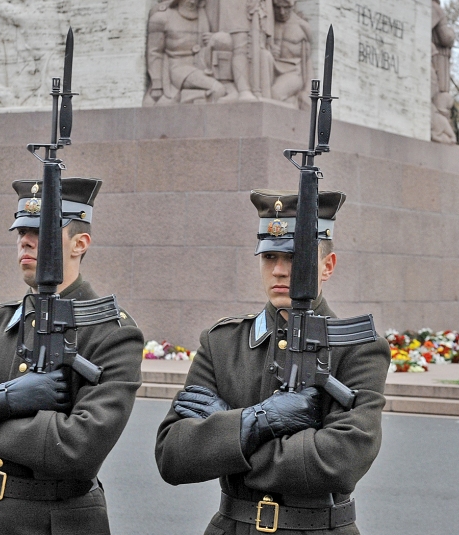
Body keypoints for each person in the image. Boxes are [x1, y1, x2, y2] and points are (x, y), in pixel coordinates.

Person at [0, 177, 144, 534]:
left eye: (41, 231)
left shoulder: (111, 334)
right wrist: (0, 401)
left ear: (79, 243)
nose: (25, 239)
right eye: (21, 230)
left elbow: (77, 451)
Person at [155, 190, 391, 534]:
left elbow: (340, 461)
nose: (279, 270)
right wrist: (257, 422)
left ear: (327, 266)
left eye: (294, 257)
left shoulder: (358, 349)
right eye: (269, 258)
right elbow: (173, 456)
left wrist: (227, 437)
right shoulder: (222, 343)